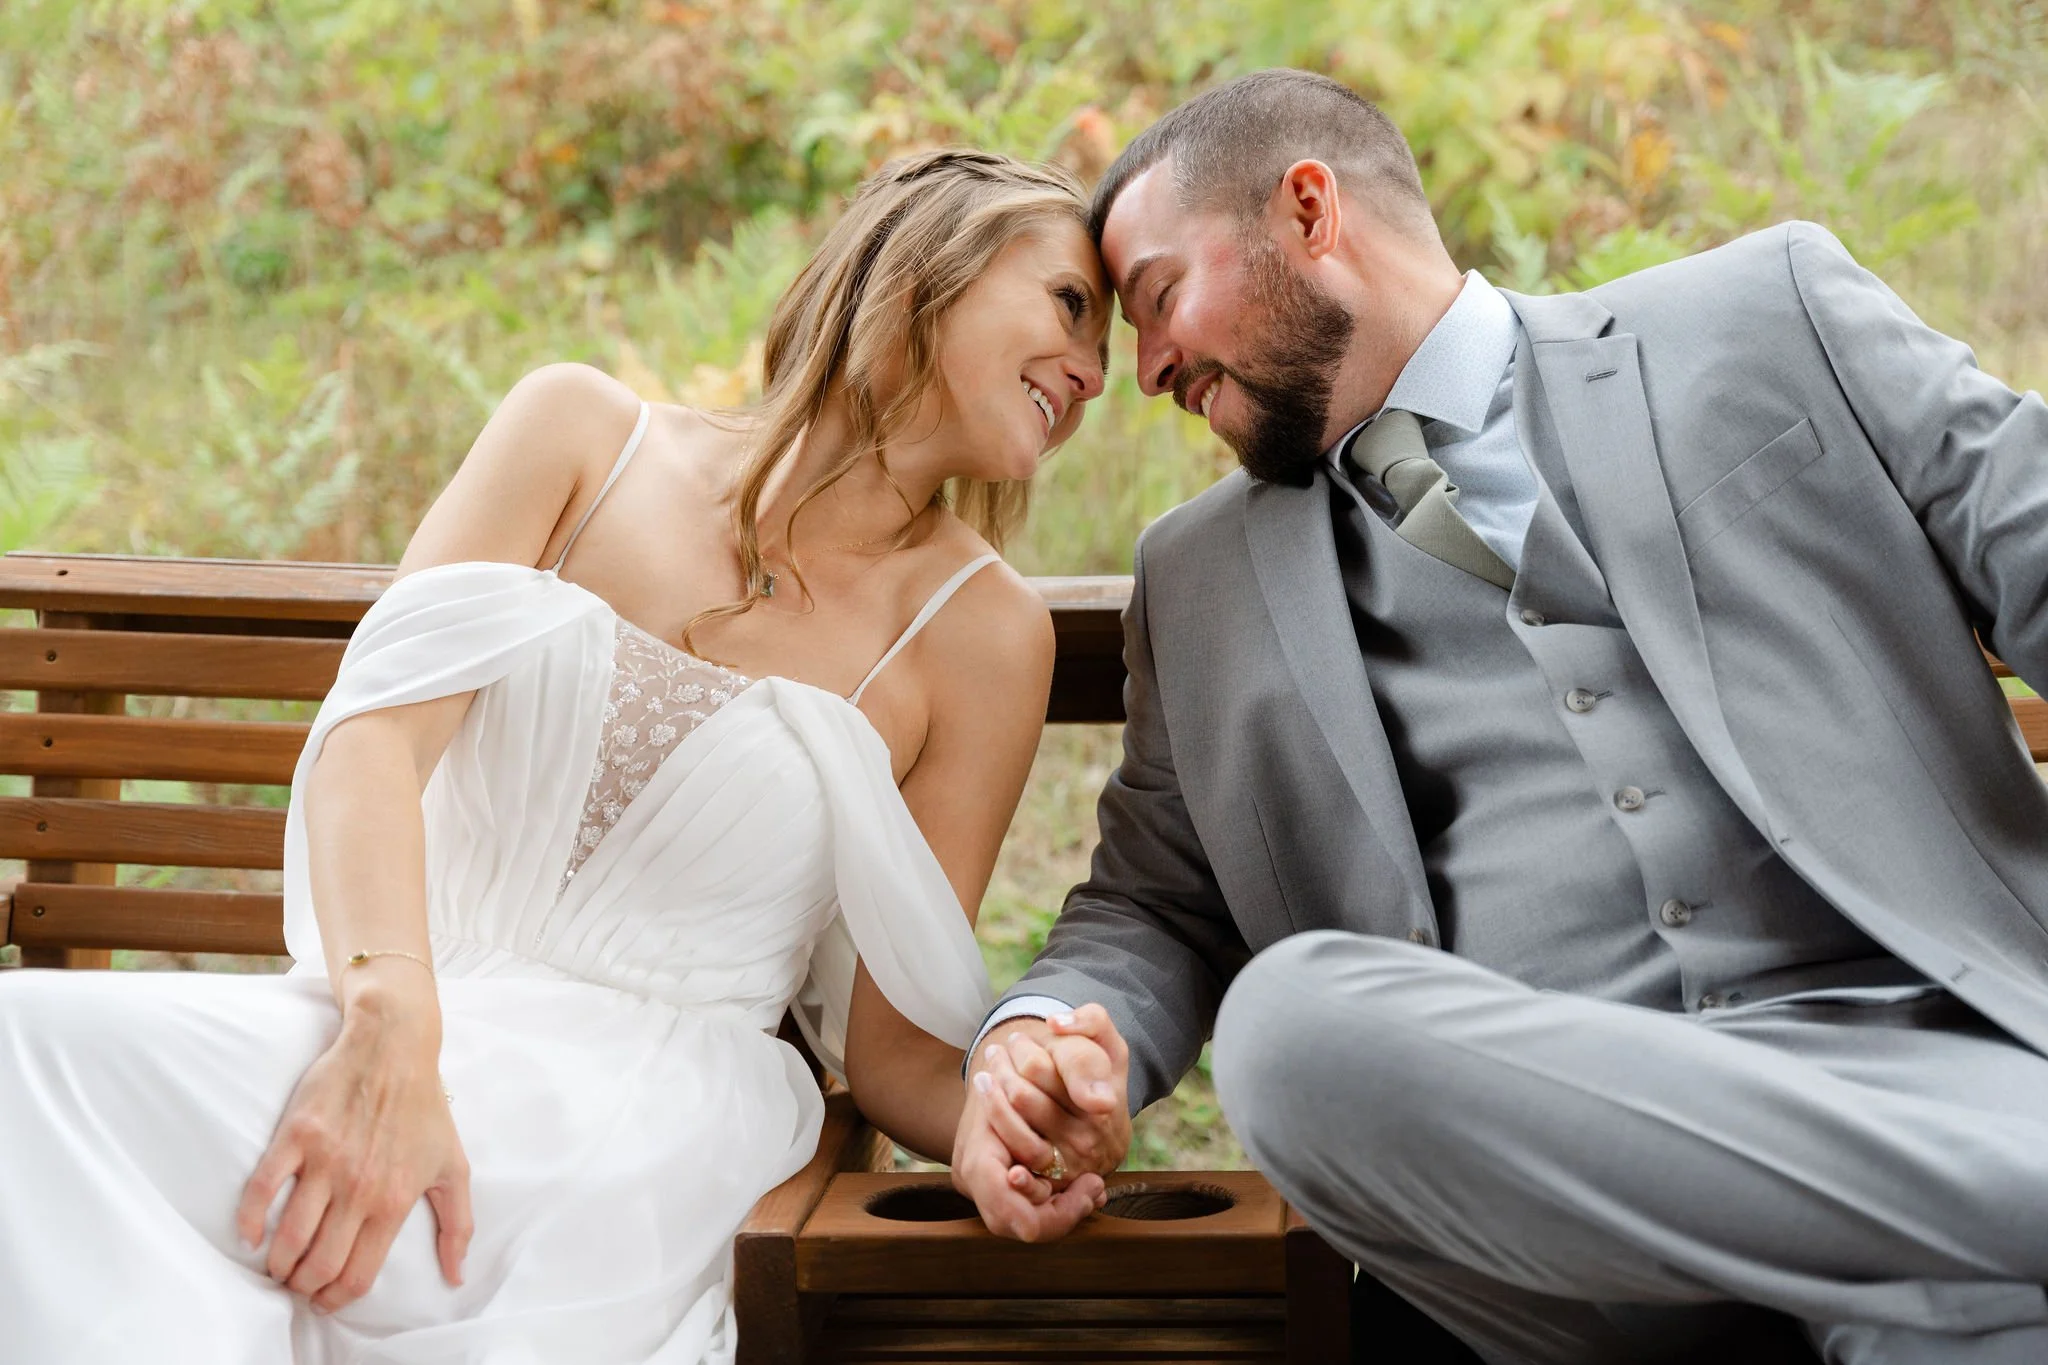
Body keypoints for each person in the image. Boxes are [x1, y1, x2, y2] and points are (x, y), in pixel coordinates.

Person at [951, 68, 2048, 1365]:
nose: (1146, 371)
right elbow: (1154, 908)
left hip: (1940, 1059)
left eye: (1157, 296)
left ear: (1307, 211)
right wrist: (1036, 1047)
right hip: (1566, 1198)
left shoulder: (1765, 316)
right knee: (1294, 1033)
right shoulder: (1199, 582)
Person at [0, 147, 1111, 1363]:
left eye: (1106, 345)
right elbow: (374, 741)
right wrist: (390, 1029)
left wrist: (994, 1128)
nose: (1093, 372)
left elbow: (894, 1055)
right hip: (393, 1021)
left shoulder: (983, 636)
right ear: (925, 262)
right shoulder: (578, 434)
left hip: (640, 1128)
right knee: (23, 1054)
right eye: (1069, 303)